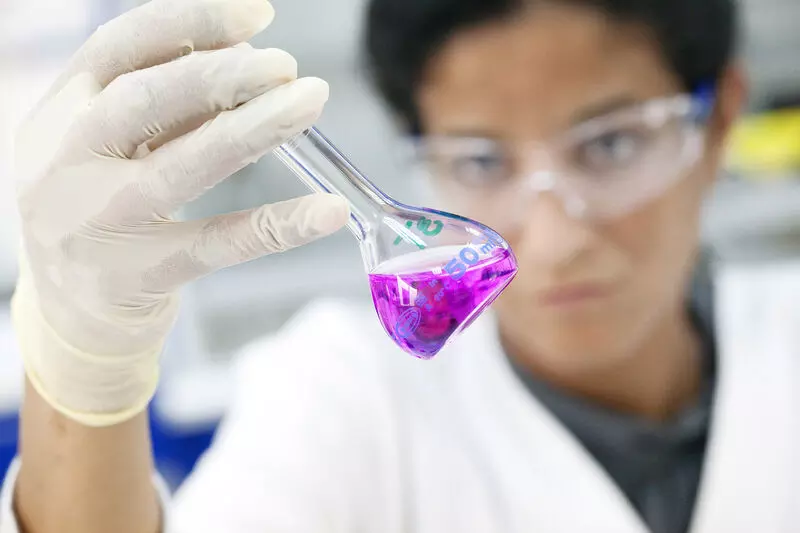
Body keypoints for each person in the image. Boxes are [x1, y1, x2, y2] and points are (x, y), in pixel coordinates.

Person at [1, 0, 799, 532]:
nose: (552, 240)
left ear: (720, 117)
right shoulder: (345, 389)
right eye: (481, 160)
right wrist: (82, 362)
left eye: (612, 143)